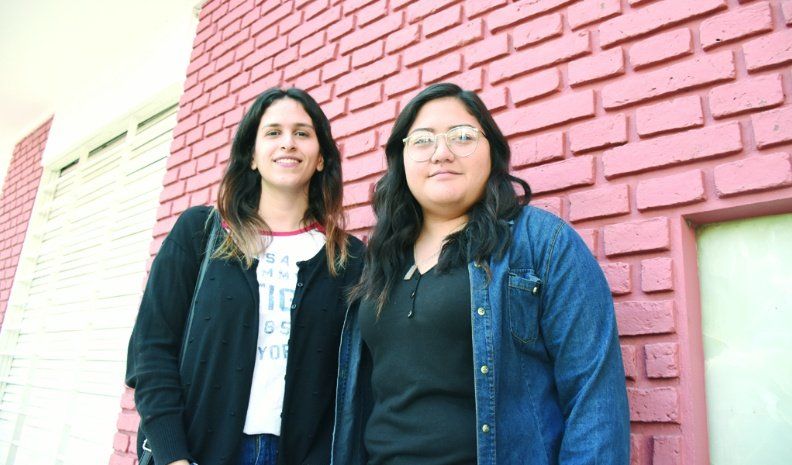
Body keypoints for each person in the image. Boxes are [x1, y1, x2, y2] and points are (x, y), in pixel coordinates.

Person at [332, 83, 630, 465]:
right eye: (422, 140)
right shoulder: (378, 261)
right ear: (401, 159)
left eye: (462, 136)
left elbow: (594, 398)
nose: (442, 152)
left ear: (492, 150)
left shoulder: (543, 243)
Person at [125, 87, 364, 465]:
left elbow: (356, 377)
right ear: (252, 156)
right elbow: (150, 349)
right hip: (195, 453)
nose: (288, 143)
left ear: (321, 158)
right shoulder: (199, 233)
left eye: (302, 133)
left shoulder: (349, 259)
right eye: (272, 133)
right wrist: (173, 456)